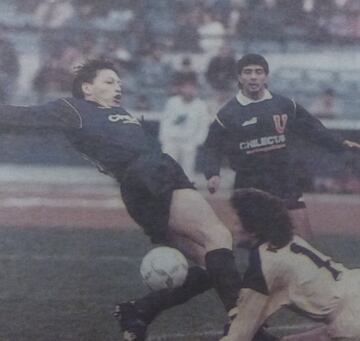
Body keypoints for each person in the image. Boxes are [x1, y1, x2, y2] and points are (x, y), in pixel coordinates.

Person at [0, 59, 242, 340]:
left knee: (209, 261)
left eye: (119, 83)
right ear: (87, 88)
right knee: (218, 236)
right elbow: (20, 117)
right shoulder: (73, 108)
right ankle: (244, 325)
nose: (118, 87)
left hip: (137, 188)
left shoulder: (116, 112)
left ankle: (139, 311)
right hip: (151, 172)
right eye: (109, 81)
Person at [203, 53, 360, 239]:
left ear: (266, 76)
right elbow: (212, 146)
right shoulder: (227, 114)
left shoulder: (284, 104)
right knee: (250, 240)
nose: (253, 77)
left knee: (304, 238)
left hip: (283, 178)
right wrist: (212, 173)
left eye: (258, 72)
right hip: (250, 181)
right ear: (239, 77)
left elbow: (314, 130)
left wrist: (341, 144)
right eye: (247, 72)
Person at [222, 187, 360, 341]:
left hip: (352, 320)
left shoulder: (266, 264)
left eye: (235, 223)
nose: (229, 228)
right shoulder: (289, 240)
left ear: (253, 230)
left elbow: (239, 334)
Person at [159, 73, 210, 180]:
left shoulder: (200, 105)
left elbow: (203, 127)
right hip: (172, 141)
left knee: (187, 172)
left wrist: (197, 142)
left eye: (191, 88)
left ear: (196, 89)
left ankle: (186, 191)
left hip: (189, 142)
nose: (188, 90)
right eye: (186, 88)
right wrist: (164, 139)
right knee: (168, 169)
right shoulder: (172, 102)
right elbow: (165, 122)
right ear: (181, 89)